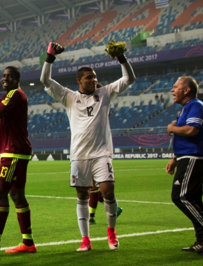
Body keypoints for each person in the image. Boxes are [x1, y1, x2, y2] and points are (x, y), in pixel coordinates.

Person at [41, 41, 134, 252]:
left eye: (95, 77)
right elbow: (45, 80)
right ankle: (86, 239)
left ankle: (111, 233)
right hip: (79, 155)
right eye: (89, 77)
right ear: (79, 80)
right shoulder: (69, 97)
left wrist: (122, 59)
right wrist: (50, 56)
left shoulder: (105, 94)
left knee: (108, 191)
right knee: (82, 196)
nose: (94, 80)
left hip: (102, 153)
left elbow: (129, 78)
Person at [0, 66, 35, 255]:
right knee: (17, 195)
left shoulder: (15, 94)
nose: (5, 79)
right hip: (17, 151)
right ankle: (28, 242)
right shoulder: (8, 97)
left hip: (13, 152)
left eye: (9, 76)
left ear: (17, 79)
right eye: (3, 76)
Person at [165, 76, 203, 253]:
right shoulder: (186, 108)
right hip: (187, 158)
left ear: (186, 89)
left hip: (193, 159)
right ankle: (202, 240)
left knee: (181, 196)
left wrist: (172, 128)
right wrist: (175, 158)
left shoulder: (195, 105)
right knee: (194, 199)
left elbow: (191, 130)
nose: (172, 90)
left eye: (175, 86)